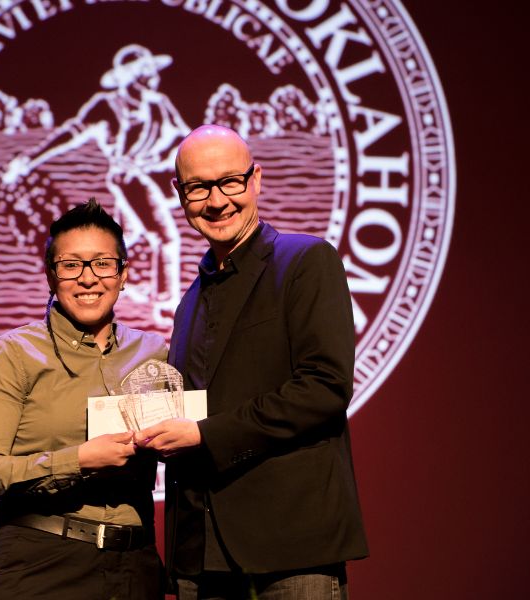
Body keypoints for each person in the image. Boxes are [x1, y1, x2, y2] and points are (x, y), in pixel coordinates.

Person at [135, 125, 369, 599]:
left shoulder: (305, 261)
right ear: (178, 193)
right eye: (199, 187)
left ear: (256, 180)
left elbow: (324, 387)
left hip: (289, 547)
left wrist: (205, 434)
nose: (217, 201)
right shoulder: (189, 303)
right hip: (199, 555)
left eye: (230, 182)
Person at [0, 199, 167, 599]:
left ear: (124, 274)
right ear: (51, 277)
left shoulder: (154, 353)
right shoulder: (15, 354)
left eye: (103, 263)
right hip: (41, 564)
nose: (88, 278)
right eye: (71, 265)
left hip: (135, 568)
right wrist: (79, 460)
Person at [2, 44, 189, 324]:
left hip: (153, 176)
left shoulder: (159, 103)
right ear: (134, 76)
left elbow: (186, 138)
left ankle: (117, 286)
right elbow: (71, 133)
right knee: (164, 235)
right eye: (146, 70)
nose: (154, 75)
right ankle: (166, 303)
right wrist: (29, 160)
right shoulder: (108, 104)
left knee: (125, 239)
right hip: (129, 178)